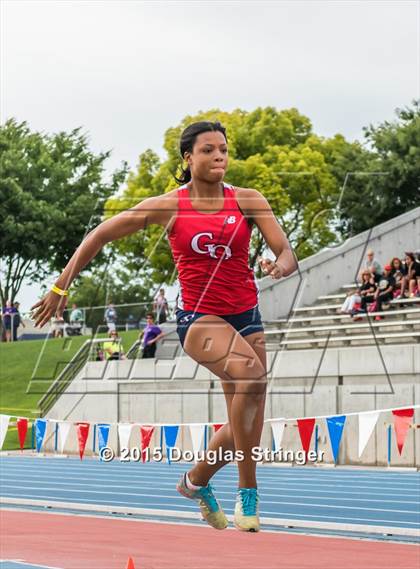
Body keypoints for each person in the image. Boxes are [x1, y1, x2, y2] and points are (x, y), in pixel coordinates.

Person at [30, 120, 297, 533]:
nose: (219, 157)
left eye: (223, 149)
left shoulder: (247, 199)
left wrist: (277, 265)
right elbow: (98, 235)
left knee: (248, 418)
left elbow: (286, 252)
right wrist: (60, 287)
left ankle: (196, 482)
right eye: (208, 150)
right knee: (254, 379)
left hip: (246, 316)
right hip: (200, 319)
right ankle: (249, 494)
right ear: (188, 158)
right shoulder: (168, 205)